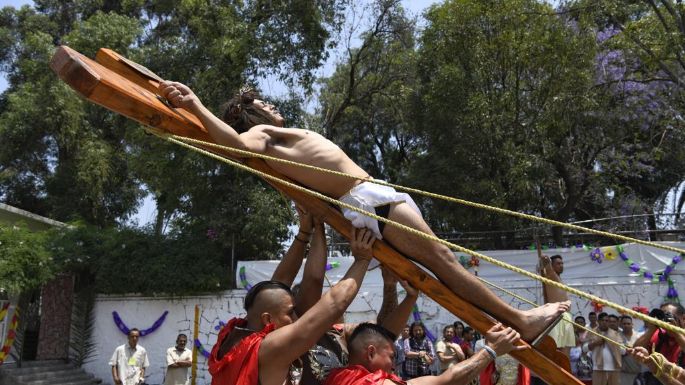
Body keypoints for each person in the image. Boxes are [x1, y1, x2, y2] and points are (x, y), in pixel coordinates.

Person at [158, 81, 570, 343]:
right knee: (443, 260)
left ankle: (515, 322)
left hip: (370, 197)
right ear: (250, 113)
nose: (268, 104)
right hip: (368, 199)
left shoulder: (275, 136)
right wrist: (195, 103)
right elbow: (237, 147)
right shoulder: (259, 132)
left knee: (440, 268)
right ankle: (521, 319)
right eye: (260, 102)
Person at [207, 227, 374, 385]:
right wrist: (362, 260)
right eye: (291, 312)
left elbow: (279, 283)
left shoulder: (238, 333)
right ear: (267, 319)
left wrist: (305, 232)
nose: (297, 317)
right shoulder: (269, 348)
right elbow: (335, 303)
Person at [322, 322, 521, 385]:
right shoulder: (370, 382)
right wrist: (492, 351)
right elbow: (447, 380)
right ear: (371, 352)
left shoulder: (335, 376)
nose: (393, 365)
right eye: (391, 356)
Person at [634, 303, 685, 385]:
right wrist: (652, 328)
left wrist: (676, 333)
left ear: (683, 318)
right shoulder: (659, 334)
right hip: (660, 379)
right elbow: (635, 350)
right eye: (662, 316)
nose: (664, 319)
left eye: (668, 315)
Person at [585, 312, 623, 385]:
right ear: (598, 321)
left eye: (606, 321)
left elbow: (623, 351)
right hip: (598, 369)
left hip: (614, 369)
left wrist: (613, 343)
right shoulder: (591, 332)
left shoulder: (615, 334)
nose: (604, 322)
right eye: (602, 320)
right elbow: (584, 349)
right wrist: (595, 343)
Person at [620, 316, 642, 385]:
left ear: (632, 325)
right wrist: (633, 348)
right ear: (621, 325)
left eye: (628, 323)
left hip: (638, 374)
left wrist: (629, 349)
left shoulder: (638, 336)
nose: (626, 325)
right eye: (624, 323)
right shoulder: (617, 336)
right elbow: (621, 351)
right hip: (623, 374)